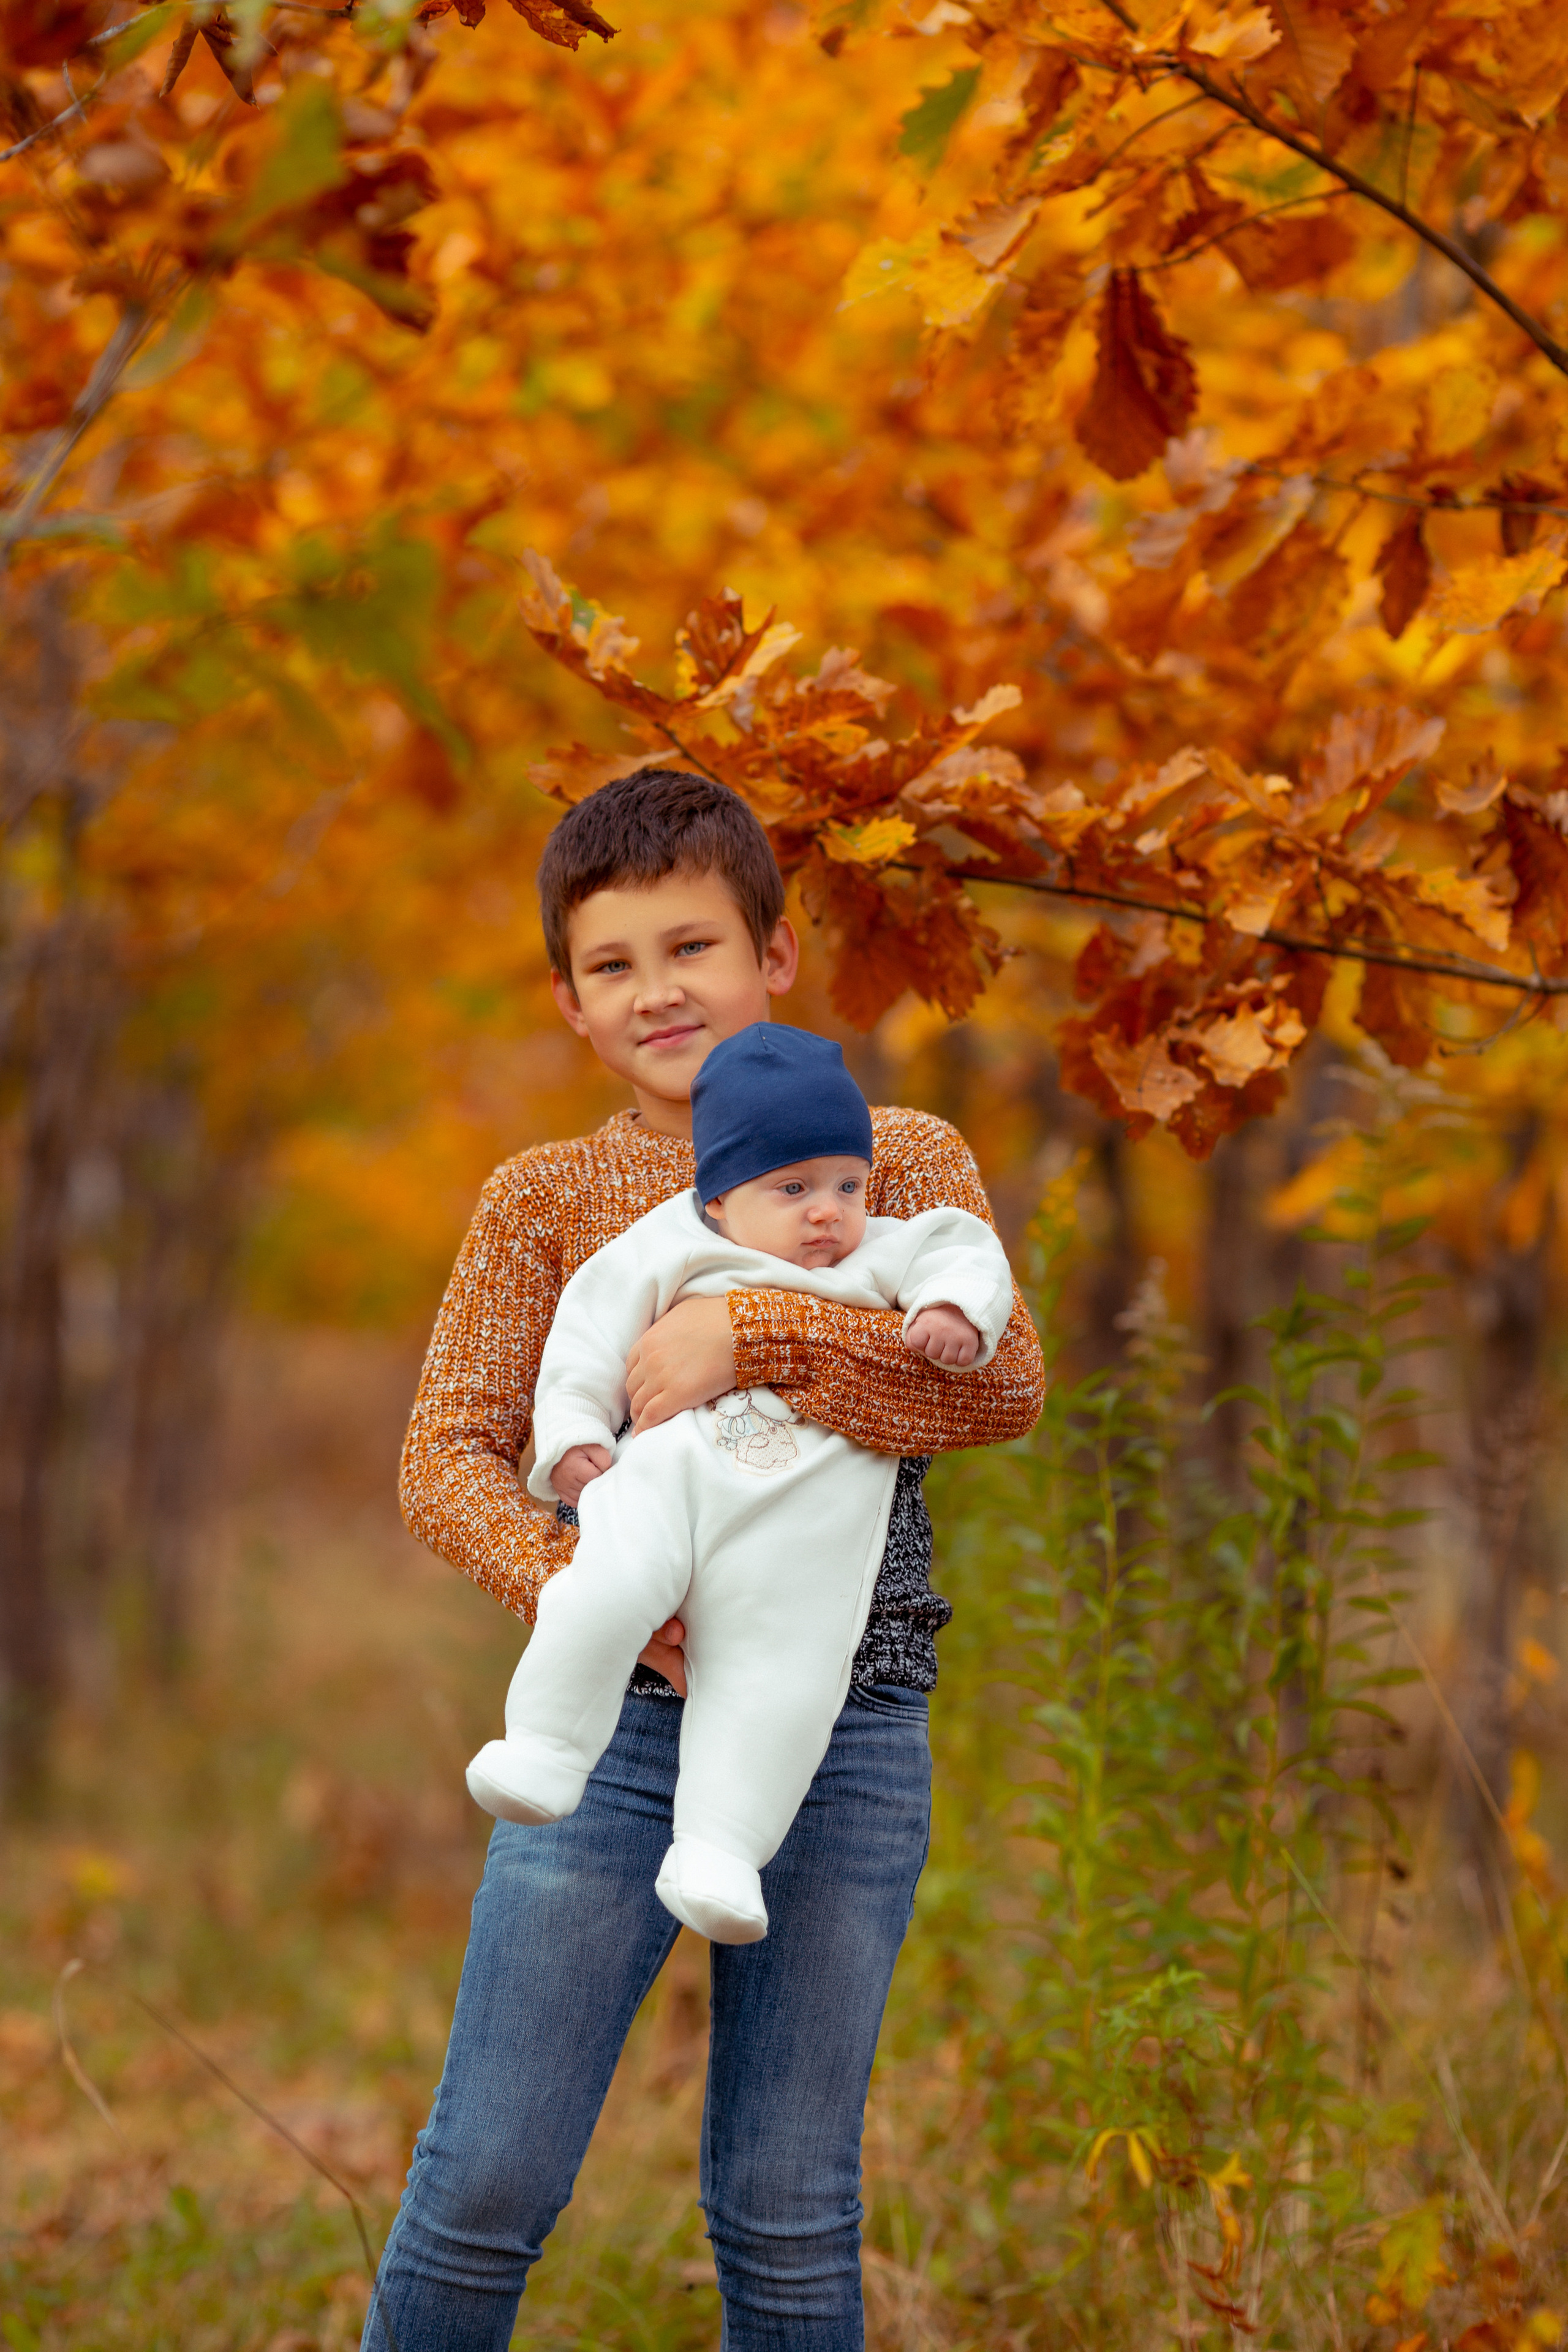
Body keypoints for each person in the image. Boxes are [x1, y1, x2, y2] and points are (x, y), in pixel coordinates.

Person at [364, 769, 1045, 2352]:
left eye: (694, 947)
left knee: (789, 2199)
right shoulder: (545, 1198)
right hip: (620, 1727)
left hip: (854, 1720)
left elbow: (1002, 1386)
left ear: (779, 956)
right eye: (615, 965)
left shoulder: (906, 1162)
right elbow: (440, 1453)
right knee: (489, 2171)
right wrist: (585, 1587)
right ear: (569, 1002)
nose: (659, 991)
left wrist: (748, 1329)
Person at [466, 1022, 1016, 1945]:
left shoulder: (879, 1252)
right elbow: (588, 1336)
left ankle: (721, 1850)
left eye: (846, 1183)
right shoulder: (668, 1245)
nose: (826, 1213)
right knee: (599, 1592)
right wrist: (569, 1436)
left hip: (797, 1549)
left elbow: (964, 1251)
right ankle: (547, 1749)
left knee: (782, 1685)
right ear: (719, 1199)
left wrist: (954, 1307)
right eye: (791, 1189)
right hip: (663, 1493)